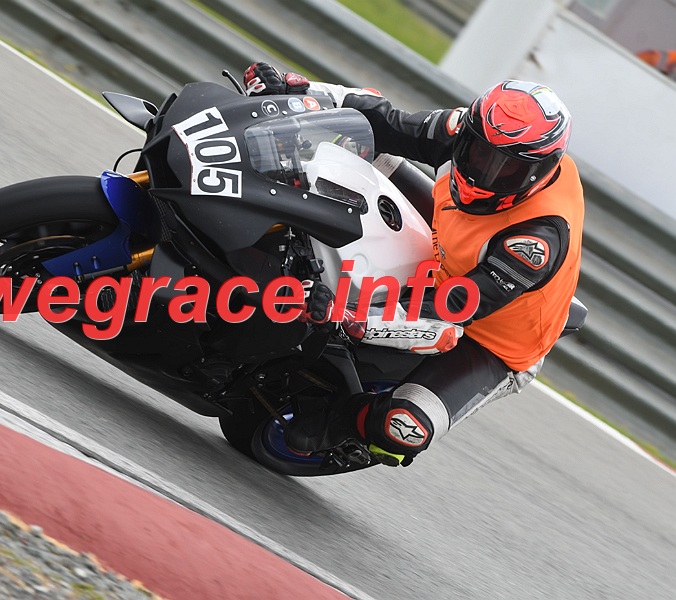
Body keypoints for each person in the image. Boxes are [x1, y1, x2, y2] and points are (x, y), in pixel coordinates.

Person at [243, 62, 585, 467]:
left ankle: (344, 421)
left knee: (406, 427)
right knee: (368, 151)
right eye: (479, 152)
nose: (484, 172)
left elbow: (455, 307)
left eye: (507, 168)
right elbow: (386, 120)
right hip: (451, 243)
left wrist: (346, 313)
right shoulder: (470, 130)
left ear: (539, 172)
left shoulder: (536, 241)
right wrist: (296, 90)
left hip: (489, 339)